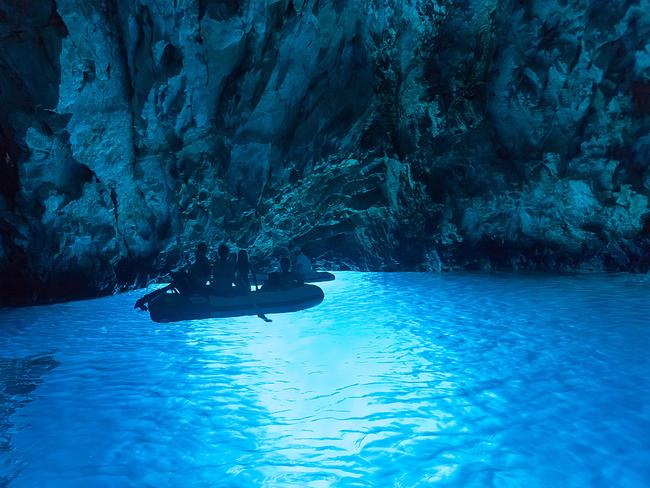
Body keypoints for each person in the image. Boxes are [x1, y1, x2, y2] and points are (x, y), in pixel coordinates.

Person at [134, 242, 211, 311]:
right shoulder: (202, 261)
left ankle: (144, 300)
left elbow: (200, 277)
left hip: (192, 288)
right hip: (191, 285)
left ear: (200, 251)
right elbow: (198, 275)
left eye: (197, 251)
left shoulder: (203, 262)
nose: (196, 253)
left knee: (171, 284)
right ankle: (144, 300)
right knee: (172, 282)